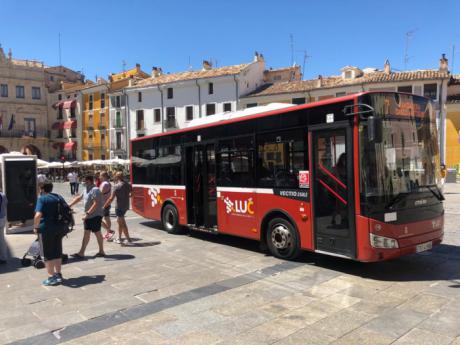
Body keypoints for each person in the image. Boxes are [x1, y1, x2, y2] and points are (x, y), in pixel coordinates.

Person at [33, 181, 66, 285]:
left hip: (46, 229)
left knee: (47, 253)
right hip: (59, 228)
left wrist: (35, 227)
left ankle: (51, 277)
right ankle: (58, 274)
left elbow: (38, 215)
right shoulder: (58, 197)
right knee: (57, 251)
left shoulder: (42, 199)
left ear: (42, 189)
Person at [69, 175, 105, 258]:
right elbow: (79, 198)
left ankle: (101, 251)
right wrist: (70, 205)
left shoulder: (95, 190)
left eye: (84, 181)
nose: (82, 182)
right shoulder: (86, 189)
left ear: (89, 181)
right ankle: (81, 252)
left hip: (95, 215)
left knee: (97, 233)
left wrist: (87, 214)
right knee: (86, 233)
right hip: (88, 216)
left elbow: (96, 204)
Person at [104, 172, 132, 244]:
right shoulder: (127, 184)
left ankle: (128, 239)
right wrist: (126, 197)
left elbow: (111, 199)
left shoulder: (116, 186)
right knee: (120, 222)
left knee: (122, 223)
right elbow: (132, 193)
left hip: (119, 206)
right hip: (125, 206)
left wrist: (104, 206)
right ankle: (119, 238)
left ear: (117, 177)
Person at [100, 171, 114, 240]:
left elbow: (99, 193)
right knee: (107, 218)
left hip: (103, 204)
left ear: (104, 176)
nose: (99, 177)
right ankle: (108, 232)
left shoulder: (105, 184)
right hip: (107, 203)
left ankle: (109, 231)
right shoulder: (107, 183)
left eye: (100, 176)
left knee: (98, 219)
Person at [0, 190, 8, 264]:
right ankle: (3, 257)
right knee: (1, 239)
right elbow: (6, 204)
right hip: (3, 218)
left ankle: (3, 257)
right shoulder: (3, 195)